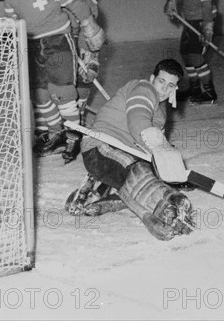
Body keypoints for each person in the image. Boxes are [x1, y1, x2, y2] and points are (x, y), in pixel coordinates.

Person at [3, 0, 105, 162]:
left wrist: (89, 26)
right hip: (31, 43)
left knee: (62, 91)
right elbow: (12, 22)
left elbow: (76, 4)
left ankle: (72, 137)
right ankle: (55, 133)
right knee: (39, 94)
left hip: (57, 39)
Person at [79, 59, 194, 240]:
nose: (164, 89)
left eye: (170, 85)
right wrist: (149, 134)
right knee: (136, 170)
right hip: (100, 147)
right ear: (152, 79)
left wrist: (172, 169)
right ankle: (164, 205)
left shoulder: (160, 112)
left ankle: (116, 194)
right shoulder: (144, 89)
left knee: (146, 171)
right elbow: (138, 116)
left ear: (175, 89)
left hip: (123, 153)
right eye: (161, 81)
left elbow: (154, 148)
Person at [164, 0, 217, 104]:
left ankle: (209, 92)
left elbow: (207, 7)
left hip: (200, 22)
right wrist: (172, 2)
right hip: (189, 22)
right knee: (186, 56)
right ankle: (194, 89)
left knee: (196, 57)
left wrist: (207, 29)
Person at [62, 0, 101, 127]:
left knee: (85, 78)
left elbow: (89, 35)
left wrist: (90, 60)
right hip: (55, 40)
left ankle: (79, 120)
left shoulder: (91, 3)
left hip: (76, 41)